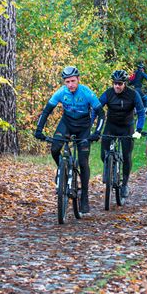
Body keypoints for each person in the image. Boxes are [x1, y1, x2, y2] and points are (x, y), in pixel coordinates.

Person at [33, 65, 104, 214]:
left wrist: (97, 132)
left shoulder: (86, 93)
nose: (70, 85)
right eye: (67, 82)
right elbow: (46, 111)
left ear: (78, 79)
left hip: (83, 127)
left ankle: (84, 196)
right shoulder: (61, 92)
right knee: (54, 148)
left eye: (73, 81)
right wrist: (38, 130)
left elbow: (101, 114)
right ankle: (62, 169)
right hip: (66, 124)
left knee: (83, 161)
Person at [98, 69, 145, 198]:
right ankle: (110, 167)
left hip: (127, 127)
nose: (117, 86)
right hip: (111, 126)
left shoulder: (133, 94)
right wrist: (92, 125)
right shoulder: (108, 93)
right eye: (115, 83)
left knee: (126, 155)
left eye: (120, 83)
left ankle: (124, 184)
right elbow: (97, 107)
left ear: (125, 84)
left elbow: (141, 113)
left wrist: (138, 130)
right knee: (103, 154)